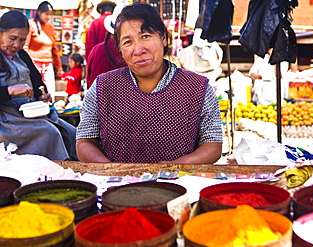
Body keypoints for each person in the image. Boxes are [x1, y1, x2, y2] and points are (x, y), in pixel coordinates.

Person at [76, 3, 223, 164]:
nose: (138, 50)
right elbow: (85, 142)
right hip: (117, 186)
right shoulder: (102, 88)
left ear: (164, 39)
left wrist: (171, 169)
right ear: (120, 50)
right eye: (127, 42)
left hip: (181, 185)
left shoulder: (197, 88)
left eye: (145, 36)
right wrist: (114, 172)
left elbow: (212, 144)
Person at [0, 10, 78, 161]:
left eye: (22, 40)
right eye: (12, 38)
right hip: (6, 119)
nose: (17, 45)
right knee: (49, 133)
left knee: (72, 133)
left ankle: (76, 169)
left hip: (26, 112)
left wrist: (41, 94)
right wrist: (10, 90)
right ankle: (55, 174)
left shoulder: (21, 55)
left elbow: (36, 81)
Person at [24, 1, 64, 102]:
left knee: (49, 92)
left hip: (48, 65)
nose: (49, 16)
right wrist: (26, 64)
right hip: (34, 63)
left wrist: (59, 67)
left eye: (51, 14)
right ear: (39, 13)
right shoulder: (31, 25)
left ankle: (50, 113)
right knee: (35, 90)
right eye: (46, 14)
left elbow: (54, 48)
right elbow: (25, 47)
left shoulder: (50, 27)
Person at [86, 3, 127, 89]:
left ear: (100, 10)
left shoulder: (95, 22)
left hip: (100, 60)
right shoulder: (135, 50)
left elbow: (89, 46)